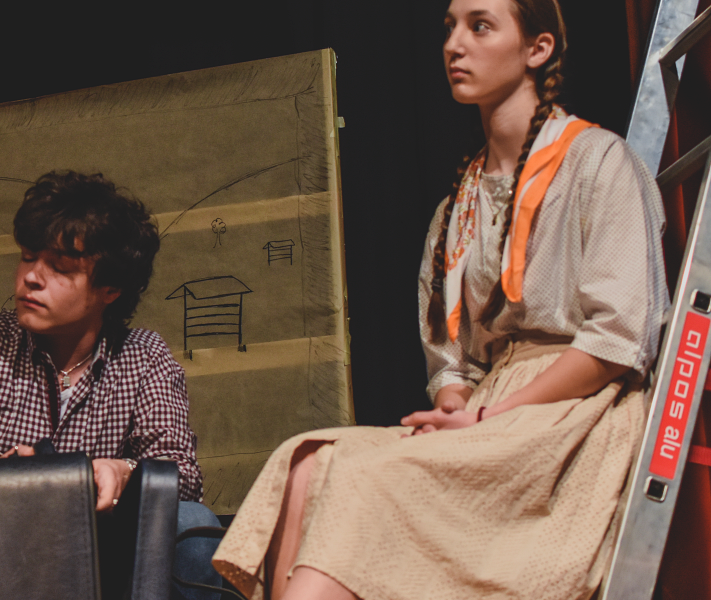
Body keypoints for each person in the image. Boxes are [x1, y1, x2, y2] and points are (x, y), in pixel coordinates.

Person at [211, 0, 668, 599]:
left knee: (358, 481)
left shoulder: (598, 162)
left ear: (538, 49)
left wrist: (489, 417)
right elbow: (452, 362)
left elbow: (618, 339)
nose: (454, 44)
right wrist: (455, 407)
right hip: (488, 410)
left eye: (480, 26)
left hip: (572, 415)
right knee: (304, 461)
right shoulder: (458, 205)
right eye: (450, 27)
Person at [0, 170, 223, 600]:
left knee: (193, 525)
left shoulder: (145, 356)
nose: (31, 277)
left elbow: (183, 474)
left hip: (100, 556)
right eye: (28, 257)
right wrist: (6, 474)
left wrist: (124, 472)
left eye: (60, 267)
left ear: (110, 288)